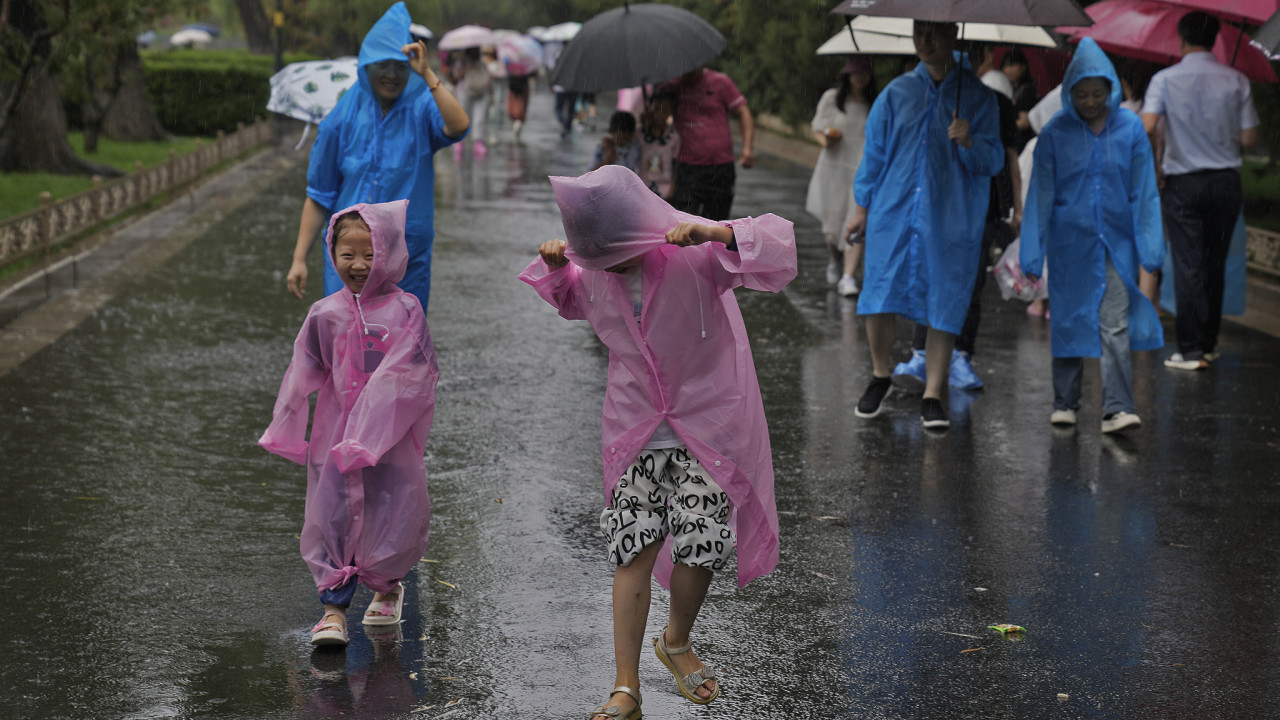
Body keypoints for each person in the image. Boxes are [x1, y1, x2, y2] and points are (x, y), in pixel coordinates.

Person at [518, 166, 795, 720]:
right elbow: (574, 300)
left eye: (615, 256)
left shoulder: (689, 246)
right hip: (635, 425)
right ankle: (626, 687)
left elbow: (778, 249)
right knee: (632, 547)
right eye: (596, 260)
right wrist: (557, 269)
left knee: (702, 543)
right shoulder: (593, 269)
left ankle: (675, 640)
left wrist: (716, 232)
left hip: (705, 424)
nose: (610, 269)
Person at [261, 200, 440, 646]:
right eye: (347, 255)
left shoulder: (405, 310)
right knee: (330, 511)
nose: (359, 265)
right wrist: (287, 424)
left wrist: (377, 423)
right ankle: (333, 609)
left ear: (389, 253)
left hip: (390, 441)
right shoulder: (324, 313)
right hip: (335, 435)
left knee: (392, 505)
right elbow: (303, 371)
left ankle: (386, 583)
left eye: (370, 254)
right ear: (332, 253)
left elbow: (415, 370)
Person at [843, 20, 1003, 429]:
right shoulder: (896, 94)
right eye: (918, 33)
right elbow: (873, 155)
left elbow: (994, 161)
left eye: (933, 33)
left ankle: (933, 392)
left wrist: (969, 141)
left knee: (944, 300)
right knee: (879, 293)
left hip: (950, 217)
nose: (924, 42)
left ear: (953, 34)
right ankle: (881, 374)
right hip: (892, 212)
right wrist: (861, 207)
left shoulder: (980, 99)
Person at [285, 2, 469, 315]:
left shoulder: (421, 107)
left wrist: (427, 74)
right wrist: (299, 258)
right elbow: (319, 194)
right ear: (367, 66)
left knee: (401, 340)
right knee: (346, 339)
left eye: (400, 66)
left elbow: (459, 125)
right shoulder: (340, 119)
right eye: (383, 64)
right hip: (348, 254)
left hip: (406, 254)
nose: (392, 75)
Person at [1021, 38, 1163, 433]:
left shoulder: (1131, 128)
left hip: (1116, 245)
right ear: (1068, 92)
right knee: (1068, 318)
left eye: (1097, 93)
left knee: (1114, 323)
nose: (1089, 101)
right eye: (1080, 94)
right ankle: (1065, 401)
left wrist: (1151, 246)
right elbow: (1040, 196)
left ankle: (1117, 407)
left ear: (1111, 88)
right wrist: (1032, 254)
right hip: (1070, 245)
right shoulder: (1055, 133)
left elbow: (1143, 190)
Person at [892, 41, 1022, 393]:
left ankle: (961, 353)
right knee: (928, 276)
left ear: (982, 58)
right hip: (939, 207)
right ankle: (921, 352)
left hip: (985, 210)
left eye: (973, 53)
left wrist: (1017, 207)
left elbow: (1008, 158)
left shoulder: (997, 103)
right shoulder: (929, 96)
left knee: (970, 283)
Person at [1141, 11, 1259, 371]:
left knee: (1188, 262)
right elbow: (1249, 139)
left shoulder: (1164, 79)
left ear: (1181, 39)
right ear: (1214, 40)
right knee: (1214, 262)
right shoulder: (1237, 80)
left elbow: (1147, 125)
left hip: (1183, 183)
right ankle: (1208, 343)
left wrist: (1157, 167)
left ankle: (1190, 349)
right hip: (1225, 181)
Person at [805, 56, 876, 297]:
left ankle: (848, 275)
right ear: (847, 74)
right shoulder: (832, 99)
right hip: (833, 168)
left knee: (855, 221)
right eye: (855, 72)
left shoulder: (875, 102)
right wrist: (827, 138)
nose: (860, 77)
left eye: (864, 72)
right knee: (831, 227)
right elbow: (816, 128)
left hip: (861, 170)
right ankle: (835, 259)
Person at [661, 67, 756, 221]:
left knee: (718, 223)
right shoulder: (671, 87)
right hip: (686, 169)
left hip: (721, 168)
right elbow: (659, 116)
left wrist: (747, 148)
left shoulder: (721, 82)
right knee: (682, 222)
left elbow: (743, 112)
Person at [638, 88, 680, 199]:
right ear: (649, 108)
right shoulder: (639, 133)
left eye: (665, 110)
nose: (660, 114)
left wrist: (672, 187)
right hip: (641, 187)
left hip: (664, 190)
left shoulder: (674, 137)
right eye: (656, 108)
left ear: (671, 111)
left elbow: (675, 165)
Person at [455, 47, 492, 155]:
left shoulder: (482, 63)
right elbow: (455, 76)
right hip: (465, 91)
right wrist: (468, 68)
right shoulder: (461, 61)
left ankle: (478, 142)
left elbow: (488, 78)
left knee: (479, 118)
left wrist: (491, 94)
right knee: (463, 117)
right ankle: (459, 141)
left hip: (481, 92)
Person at [1001, 48, 1038, 151]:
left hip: (1023, 145)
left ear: (1023, 67)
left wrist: (1003, 129)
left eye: (1013, 65)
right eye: (1006, 66)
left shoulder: (1027, 92)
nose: (1009, 70)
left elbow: (1024, 122)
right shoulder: (1008, 90)